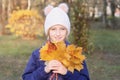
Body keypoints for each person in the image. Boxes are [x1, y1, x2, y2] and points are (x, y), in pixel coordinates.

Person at [22, 3, 90, 80]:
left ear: (67, 31)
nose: (58, 33)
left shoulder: (75, 54)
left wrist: (66, 73)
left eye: (62, 29)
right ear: (48, 32)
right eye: (53, 29)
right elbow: (26, 78)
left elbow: (85, 78)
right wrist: (44, 70)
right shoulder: (37, 54)